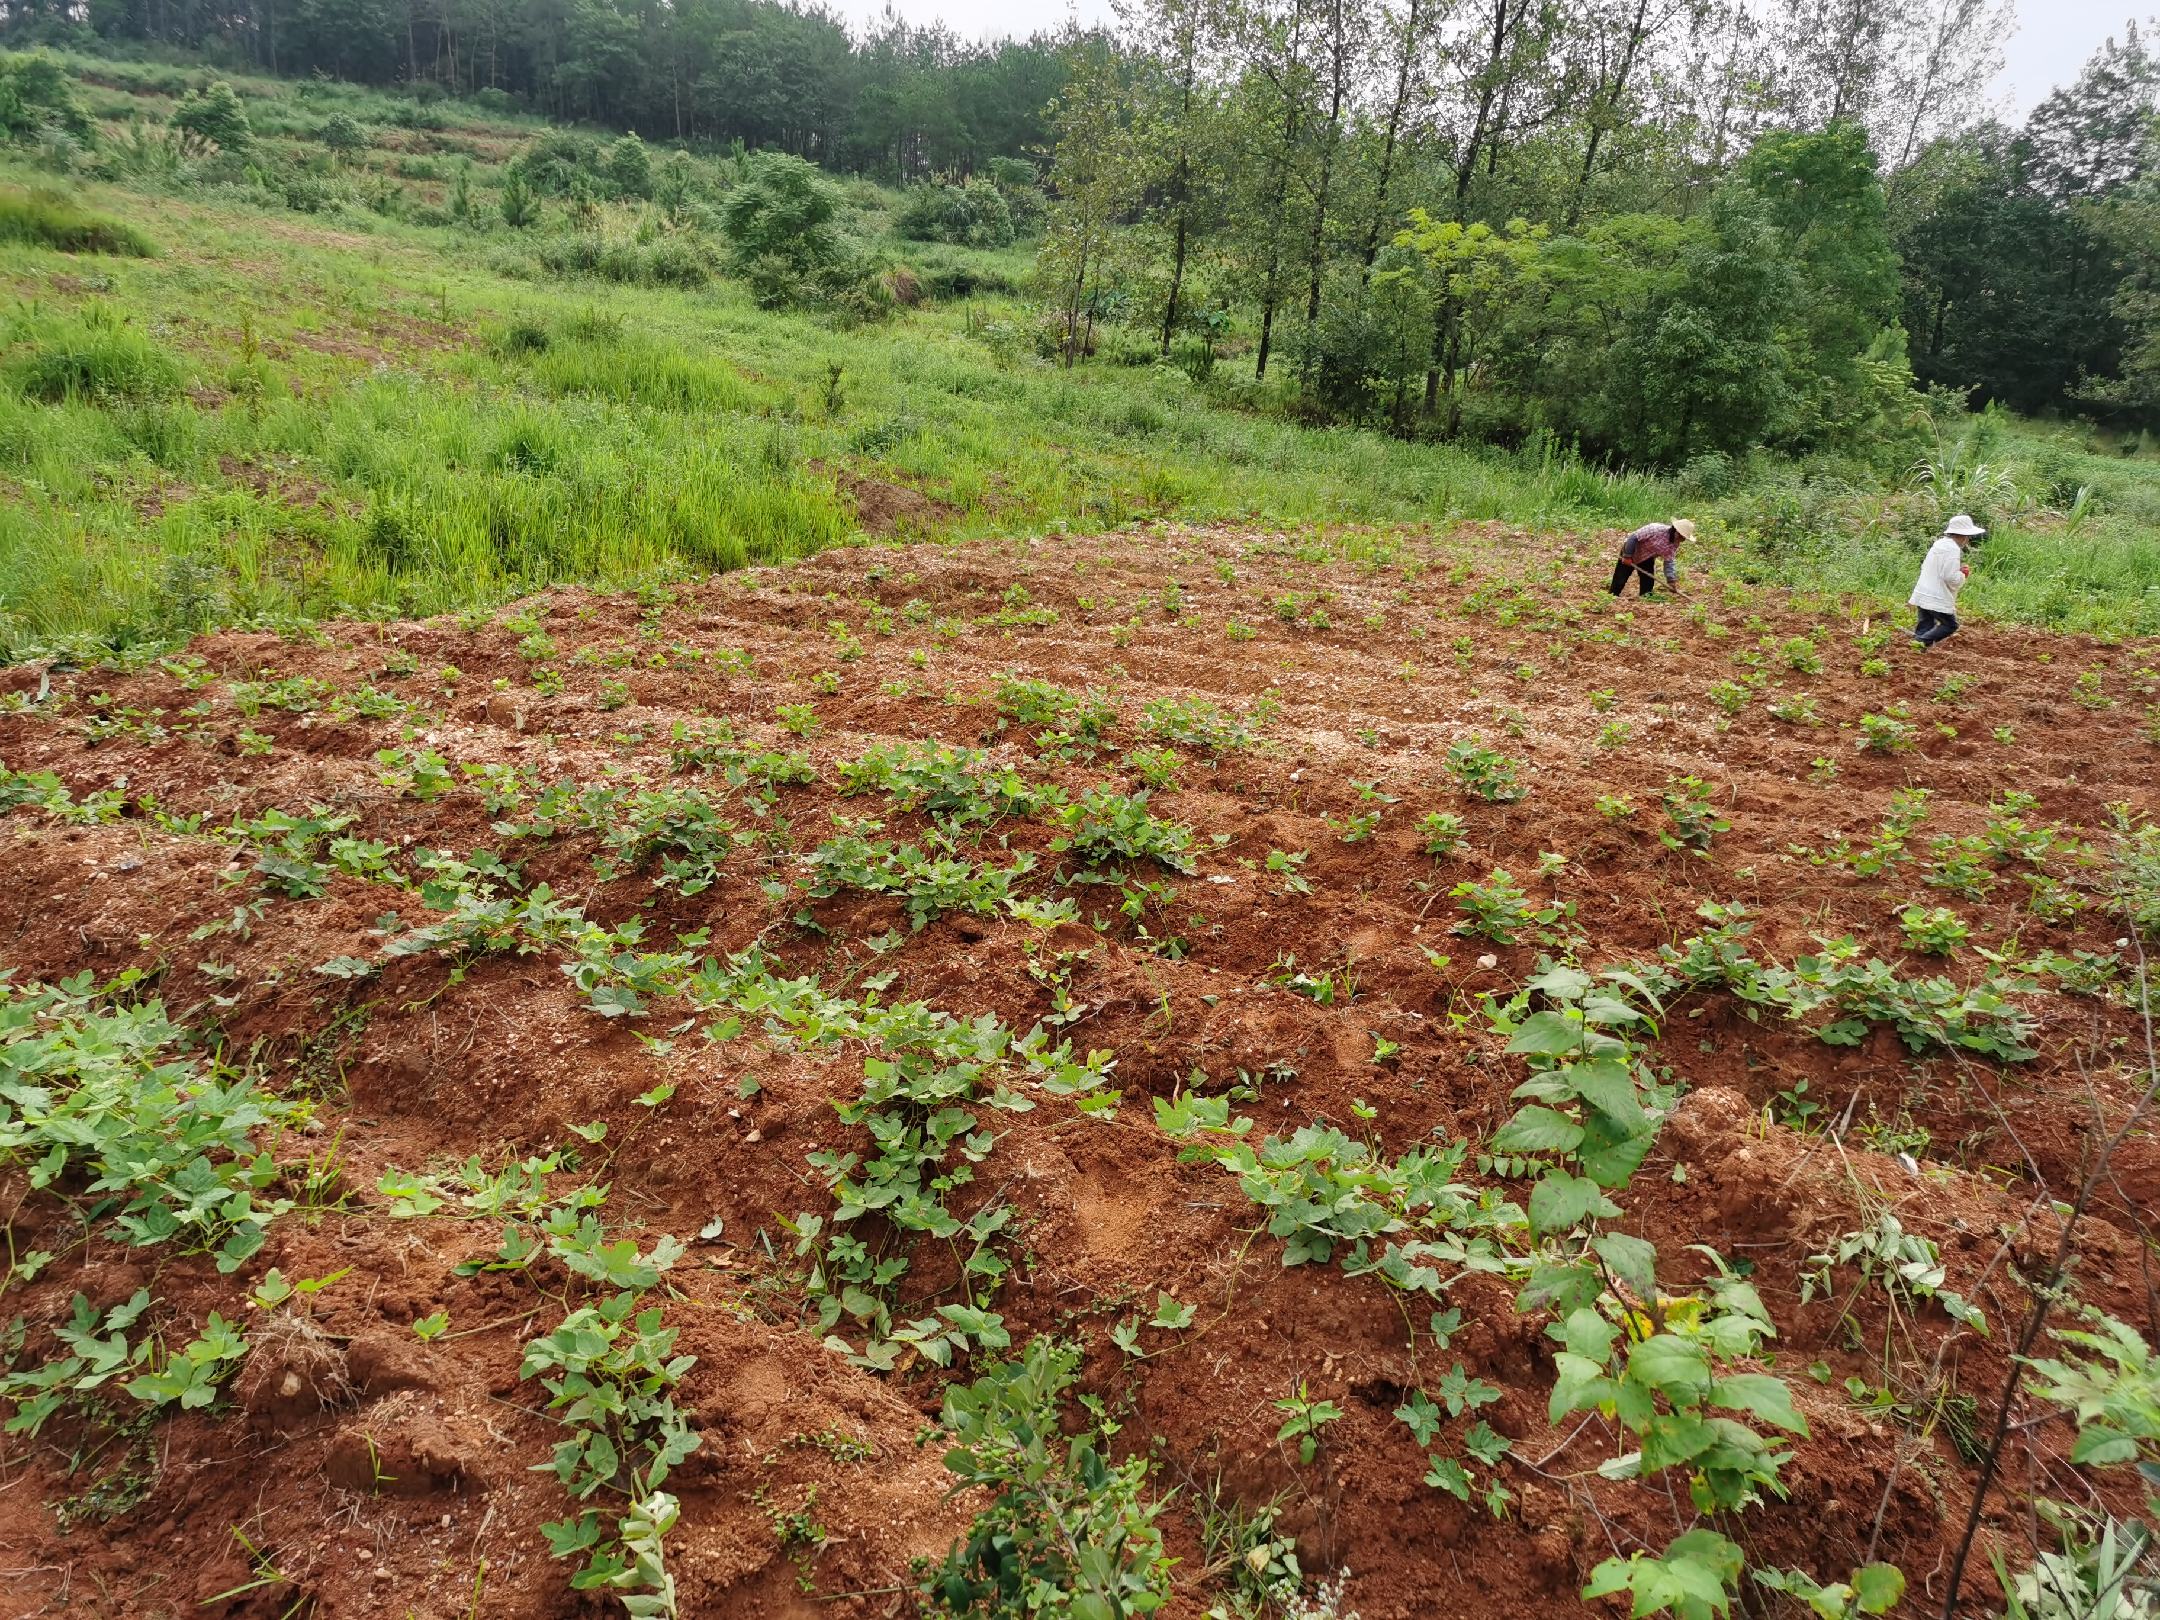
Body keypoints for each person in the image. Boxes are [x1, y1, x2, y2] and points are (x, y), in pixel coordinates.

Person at [1910, 514, 1984, 649]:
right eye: (1968, 537)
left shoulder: (1939, 544)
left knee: (1926, 623)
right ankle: (1919, 642)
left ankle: (1916, 652)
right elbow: (1949, 577)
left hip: (1923, 591)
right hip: (1937, 595)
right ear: (1963, 536)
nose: (1967, 541)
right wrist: (1963, 574)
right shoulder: (1953, 550)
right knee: (1950, 625)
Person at [1609, 518, 1695, 597]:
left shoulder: (1674, 544)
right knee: (1620, 579)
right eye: (1681, 536)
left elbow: (1669, 562)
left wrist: (1671, 580)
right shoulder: (1655, 529)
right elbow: (1633, 538)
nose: (1682, 540)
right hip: (1631, 550)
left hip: (1647, 558)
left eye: (1683, 538)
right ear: (1675, 531)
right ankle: (1612, 596)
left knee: (1648, 583)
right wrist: (1627, 556)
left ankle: (1645, 599)